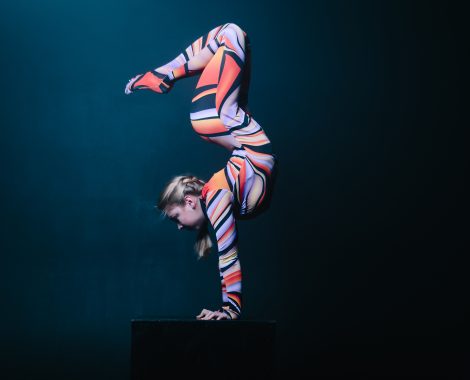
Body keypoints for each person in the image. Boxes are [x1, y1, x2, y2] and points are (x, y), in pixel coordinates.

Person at [125, 23, 278, 320]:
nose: (179, 227)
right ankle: (165, 75)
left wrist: (230, 309)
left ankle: (164, 75)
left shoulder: (217, 196)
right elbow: (226, 248)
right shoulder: (219, 195)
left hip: (252, 150)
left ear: (191, 201)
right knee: (232, 37)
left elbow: (229, 254)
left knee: (234, 37)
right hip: (250, 150)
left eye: (175, 217)